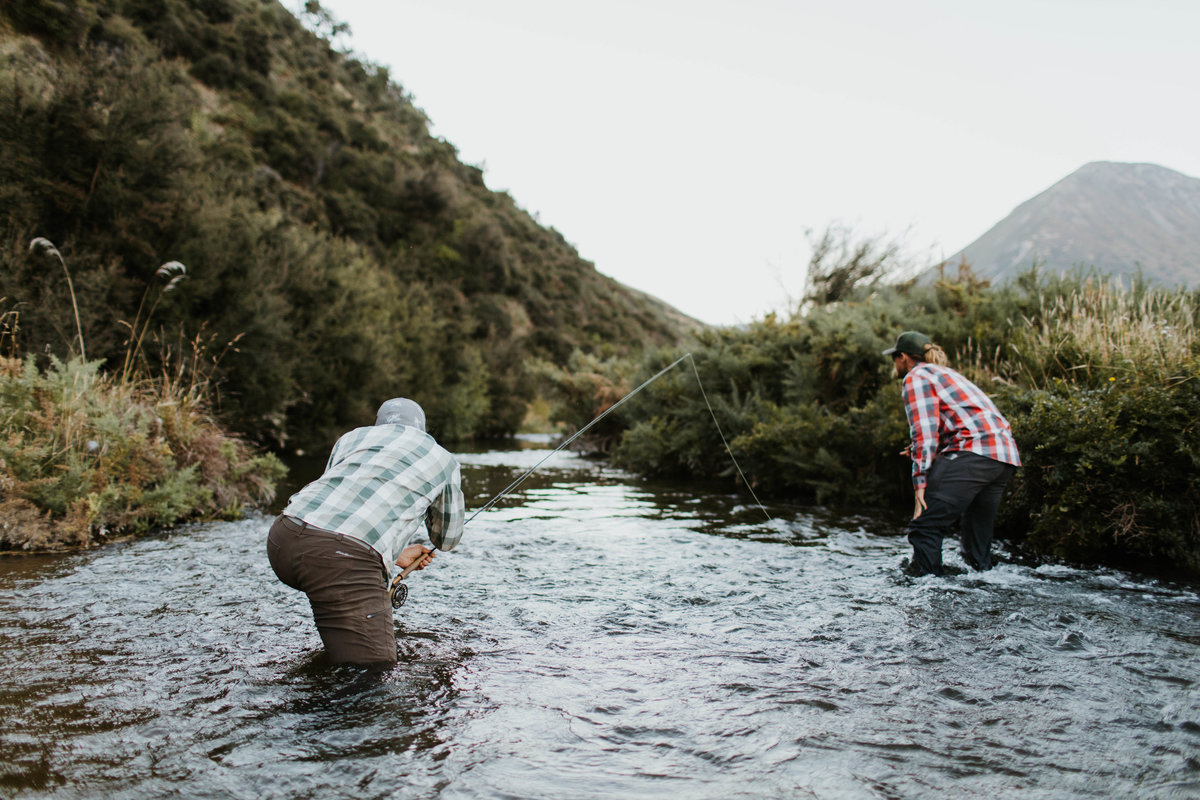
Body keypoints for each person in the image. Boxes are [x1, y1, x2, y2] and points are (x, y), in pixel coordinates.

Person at [267, 398, 464, 665]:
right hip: (337, 559)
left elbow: (336, 511)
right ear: (422, 429)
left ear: (378, 424)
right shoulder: (443, 458)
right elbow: (447, 539)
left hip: (283, 537)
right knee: (374, 672)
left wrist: (391, 555)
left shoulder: (352, 438)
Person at [884, 331, 1020, 576]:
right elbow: (956, 424)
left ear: (903, 357)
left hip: (974, 452)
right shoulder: (946, 374)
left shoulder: (916, 377)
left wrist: (919, 485)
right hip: (1003, 456)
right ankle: (983, 584)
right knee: (976, 545)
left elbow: (925, 433)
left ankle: (927, 589)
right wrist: (922, 451)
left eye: (895, 358)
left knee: (924, 527)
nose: (894, 364)